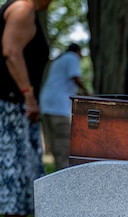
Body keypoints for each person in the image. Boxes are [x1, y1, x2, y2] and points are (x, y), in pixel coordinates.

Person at [0, 0, 51, 217]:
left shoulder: (24, 9)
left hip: (13, 105)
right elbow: (11, 52)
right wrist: (29, 96)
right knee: (16, 178)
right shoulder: (23, 9)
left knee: (19, 180)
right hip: (10, 105)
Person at [39, 43, 88, 171]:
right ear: (77, 51)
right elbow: (75, 77)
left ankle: (57, 169)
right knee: (63, 140)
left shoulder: (58, 61)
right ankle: (64, 172)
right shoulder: (72, 58)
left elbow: (65, 85)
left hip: (46, 103)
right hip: (58, 106)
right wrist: (87, 92)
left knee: (54, 141)